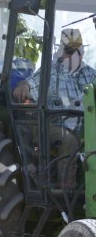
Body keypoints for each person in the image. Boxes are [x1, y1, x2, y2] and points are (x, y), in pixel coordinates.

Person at [13, 28, 96, 189]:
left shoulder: (90, 74)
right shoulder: (51, 71)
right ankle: (68, 192)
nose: (74, 54)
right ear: (60, 50)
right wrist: (24, 85)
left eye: (78, 49)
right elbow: (31, 83)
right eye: (70, 50)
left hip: (86, 127)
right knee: (70, 140)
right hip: (54, 125)